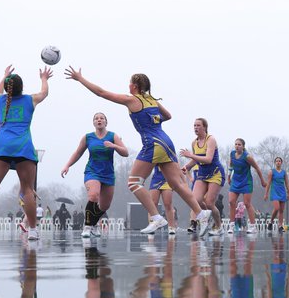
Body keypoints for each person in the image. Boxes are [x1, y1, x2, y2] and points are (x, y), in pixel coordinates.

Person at [65, 67, 212, 236]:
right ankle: (201, 213)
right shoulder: (152, 100)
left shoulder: (132, 100)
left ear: (134, 86)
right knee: (176, 184)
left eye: (130, 83)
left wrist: (80, 79)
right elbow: (168, 116)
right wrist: (152, 121)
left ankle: (156, 217)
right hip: (166, 141)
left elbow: (101, 93)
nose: (128, 85)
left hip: (153, 142)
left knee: (134, 182)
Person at [0, 66, 51, 242]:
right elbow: (44, 93)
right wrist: (44, 78)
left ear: (7, 88)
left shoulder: (0, 100)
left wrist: (4, 76)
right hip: (23, 147)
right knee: (27, 190)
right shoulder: (30, 100)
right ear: (22, 87)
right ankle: (33, 231)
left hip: (2, 147)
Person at [61, 111, 129, 239]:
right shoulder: (88, 137)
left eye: (102, 118)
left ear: (106, 122)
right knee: (93, 195)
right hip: (92, 171)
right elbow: (77, 153)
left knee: (104, 206)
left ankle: (93, 225)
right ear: (93, 122)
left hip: (108, 174)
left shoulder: (113, 136)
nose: (99, 120)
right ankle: (87, 227)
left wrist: (114, 145)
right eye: (96, 118)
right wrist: (67, 165)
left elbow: (125, 152)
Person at [179, 117, 225, 233]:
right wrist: (187, 167)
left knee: (209, 203)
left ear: (204, 127)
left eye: (198, 125)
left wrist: (190, 155)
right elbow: (195, 160)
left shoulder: (211, 139)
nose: (196, 128)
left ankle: (219, 226)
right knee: (195, 200)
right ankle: (206, 218)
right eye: (194, 126)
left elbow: (208, 159)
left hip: (215, 173)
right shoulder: (194, 143)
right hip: (202, 174)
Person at [227, 138, 267, 234]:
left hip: (246, 182)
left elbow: (257, 168)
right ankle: (231, 226)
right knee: (232, 202)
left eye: (239, 144)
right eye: (236, 144)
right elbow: (231, 165)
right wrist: (228, 176)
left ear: (243, 146)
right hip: (235, 181)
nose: (237, 146)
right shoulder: (232, 154)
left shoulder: (247, 157)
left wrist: (262, 180)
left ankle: (253, 226)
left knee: (247, 203)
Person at [148, 165, 179, 235]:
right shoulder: (154, 154)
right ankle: (151, 225)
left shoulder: (170, 154)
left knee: (168, 204)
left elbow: (175, 165)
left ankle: (171, 227)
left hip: (167, 179)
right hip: (156, 179)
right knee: (152, 203)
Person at [266, 156, 289, 231]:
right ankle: (271, 221)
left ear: (281, 162)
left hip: (282, 191)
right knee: (276, 208)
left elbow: (287, 183)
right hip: (274, 191)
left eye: (279, 161)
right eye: (276, 161)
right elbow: (269, 183)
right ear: (275, 163)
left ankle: (280, 225)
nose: (278, 162)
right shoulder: (271, 171)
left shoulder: (284, 172)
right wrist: (266, 193)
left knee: (281, 210)